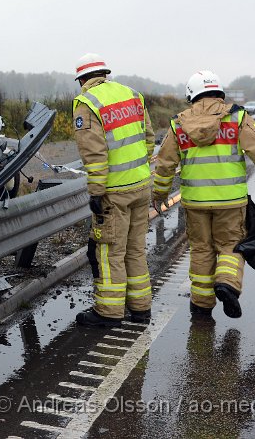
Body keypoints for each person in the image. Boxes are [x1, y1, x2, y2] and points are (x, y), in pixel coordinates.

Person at [152, 70, 255, 320]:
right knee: (231, 246)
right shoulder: (237, 118)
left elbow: (164, 166)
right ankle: (227, 284)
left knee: (201, 249)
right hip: (231, 201)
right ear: (219, 92)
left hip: (195, 202)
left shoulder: (178, 123)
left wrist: (160, 194)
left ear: (191, 95)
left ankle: (201, 304)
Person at [72, 53, 155, 327]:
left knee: (109, 252)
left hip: (114, 192)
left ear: (83, 79)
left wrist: (96, 192)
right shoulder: (132, 94)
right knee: (135, 250)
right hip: (141, 185)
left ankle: (109, 312)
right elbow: (148, 139)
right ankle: (141, 308)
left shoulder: (86, 103)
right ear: (104, 73)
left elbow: (94, 154)